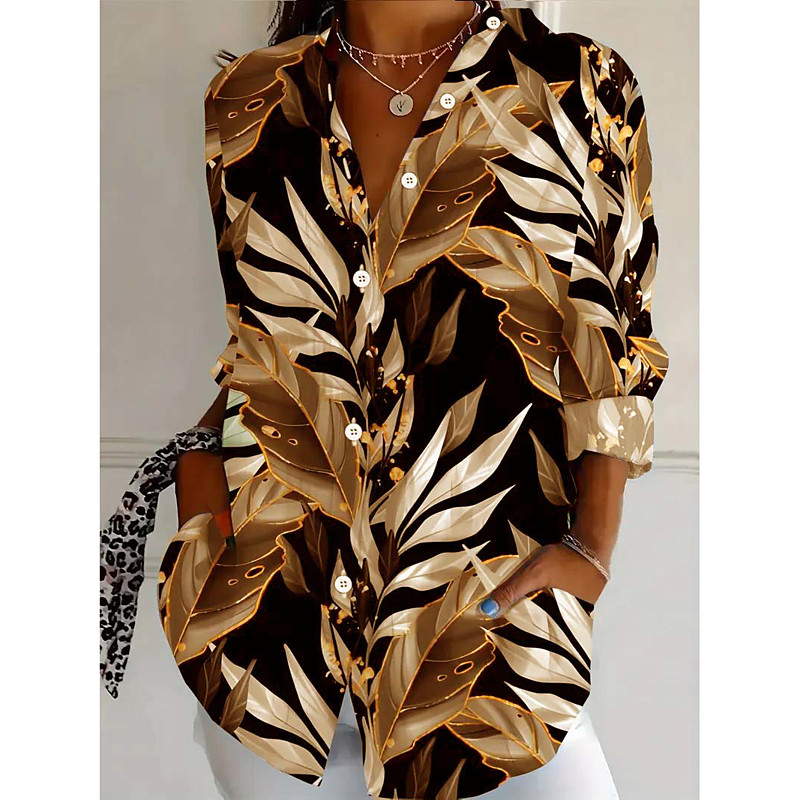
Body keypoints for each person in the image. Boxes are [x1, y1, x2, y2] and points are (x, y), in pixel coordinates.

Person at [101, 1, 668, 798]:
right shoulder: (247, 100)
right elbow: (264, 344)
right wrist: (201, 498)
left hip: (486, 654)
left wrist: (594, 544)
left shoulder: (576, 87)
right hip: (269, 653)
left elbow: (616, 346)